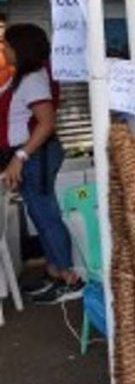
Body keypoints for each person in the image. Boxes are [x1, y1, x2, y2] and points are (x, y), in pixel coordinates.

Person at [4, 24, 79, 304]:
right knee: (40, 214)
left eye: (8, 45)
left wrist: (19, 157)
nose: (4, 49)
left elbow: (46, 123)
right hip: (31, 156)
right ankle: (54, 271)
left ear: (21, 48)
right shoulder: (24, 78)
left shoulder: (34, 79)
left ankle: (70, 278)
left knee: (46, 217)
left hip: (36, 156)